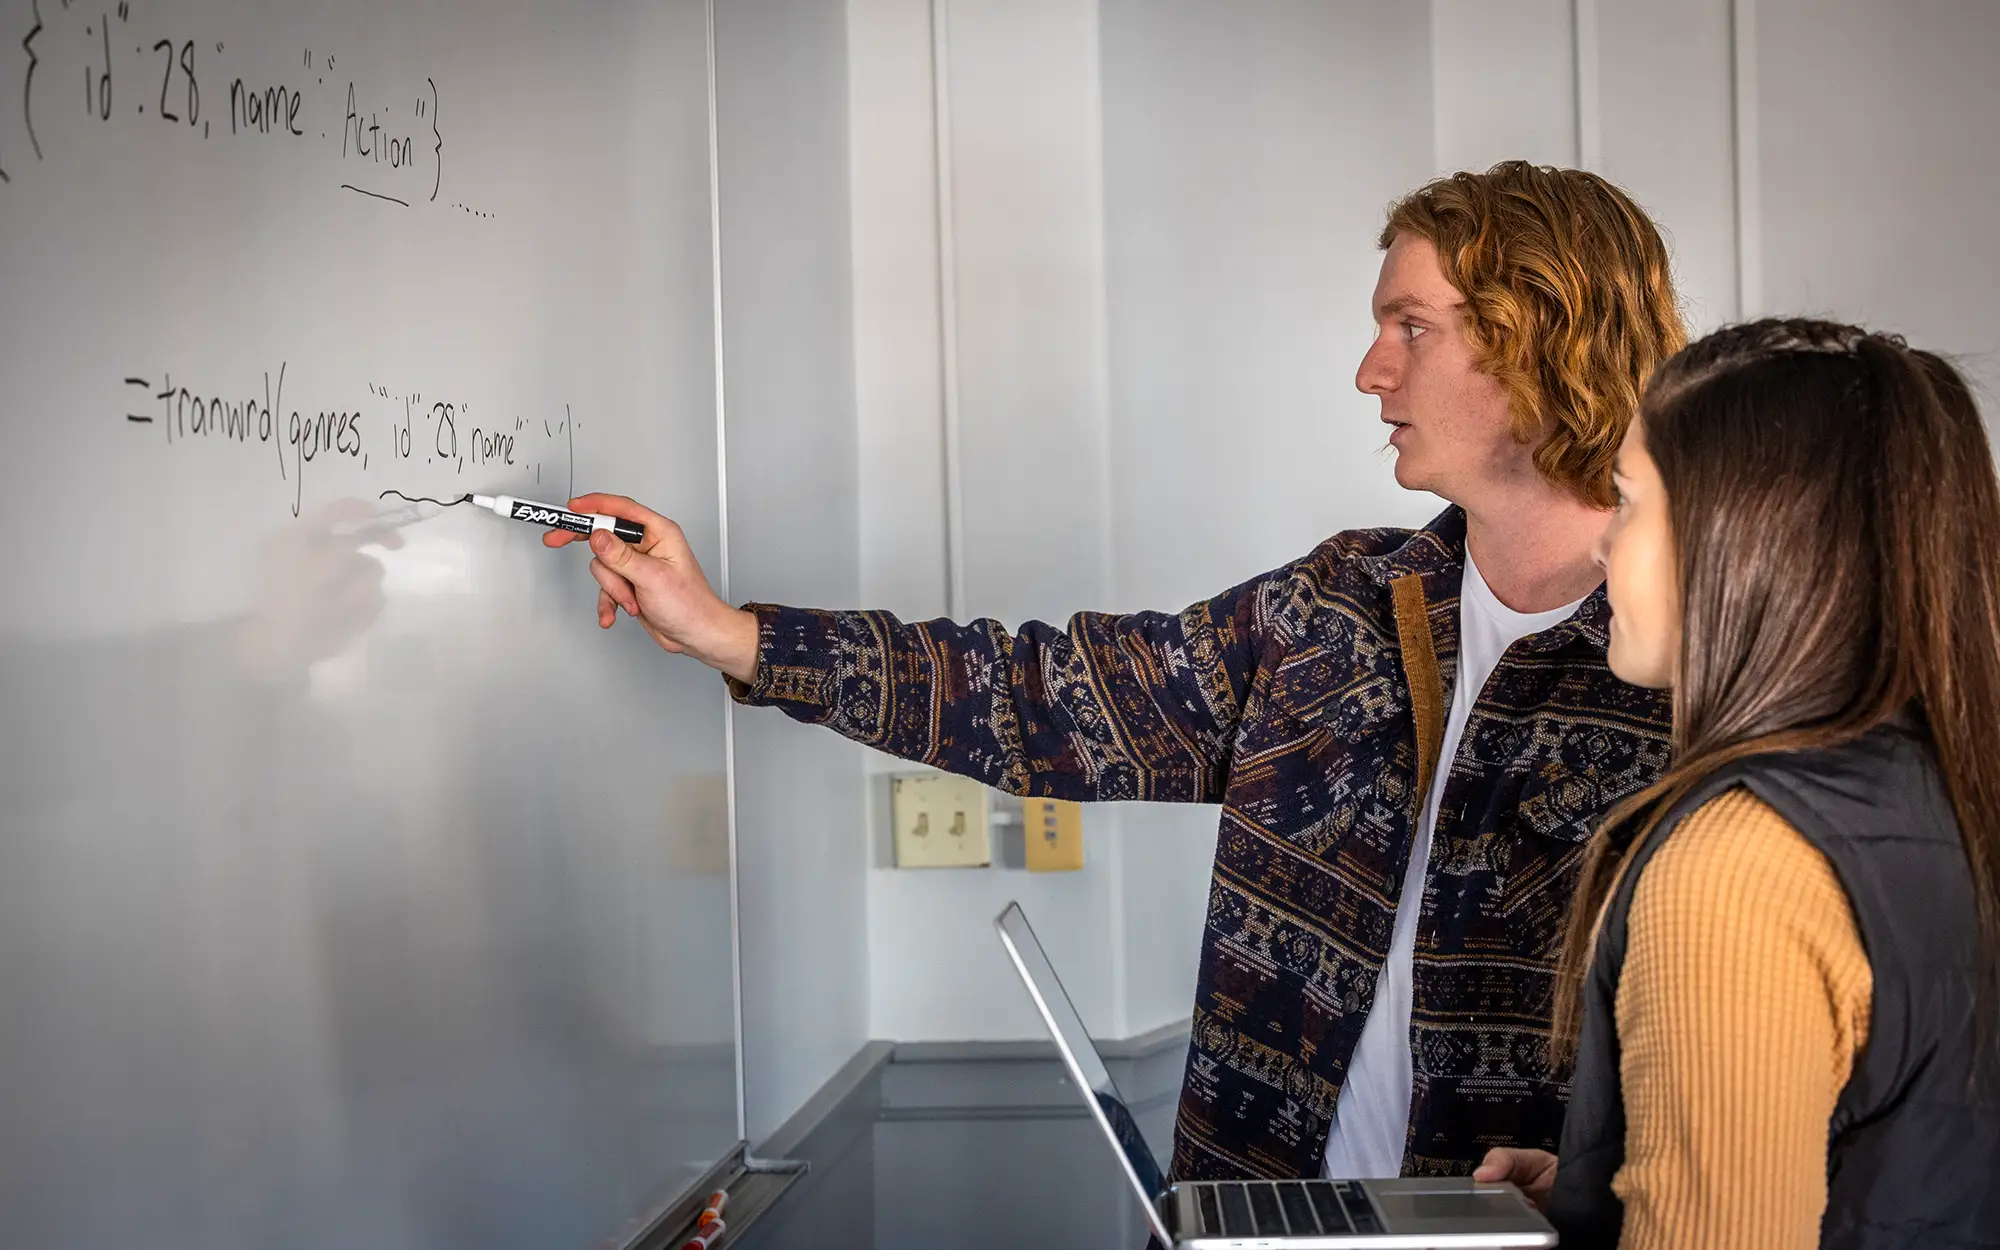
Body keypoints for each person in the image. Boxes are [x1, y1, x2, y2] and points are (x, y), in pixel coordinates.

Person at [549, 161, 1685, 1179]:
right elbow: (1040, 694)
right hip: (1260, 1213)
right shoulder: (1338, 602)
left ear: (1537, 333)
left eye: (1410, 326)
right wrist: (731, 633)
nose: (1366, 369)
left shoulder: (1696, 665)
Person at [1475, 319, 2000, 1246]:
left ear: (1741, 539)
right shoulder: (1941, 788)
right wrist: (1616, 1188)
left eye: (1629, 502)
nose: (1602, 549)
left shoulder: (1733, 872)